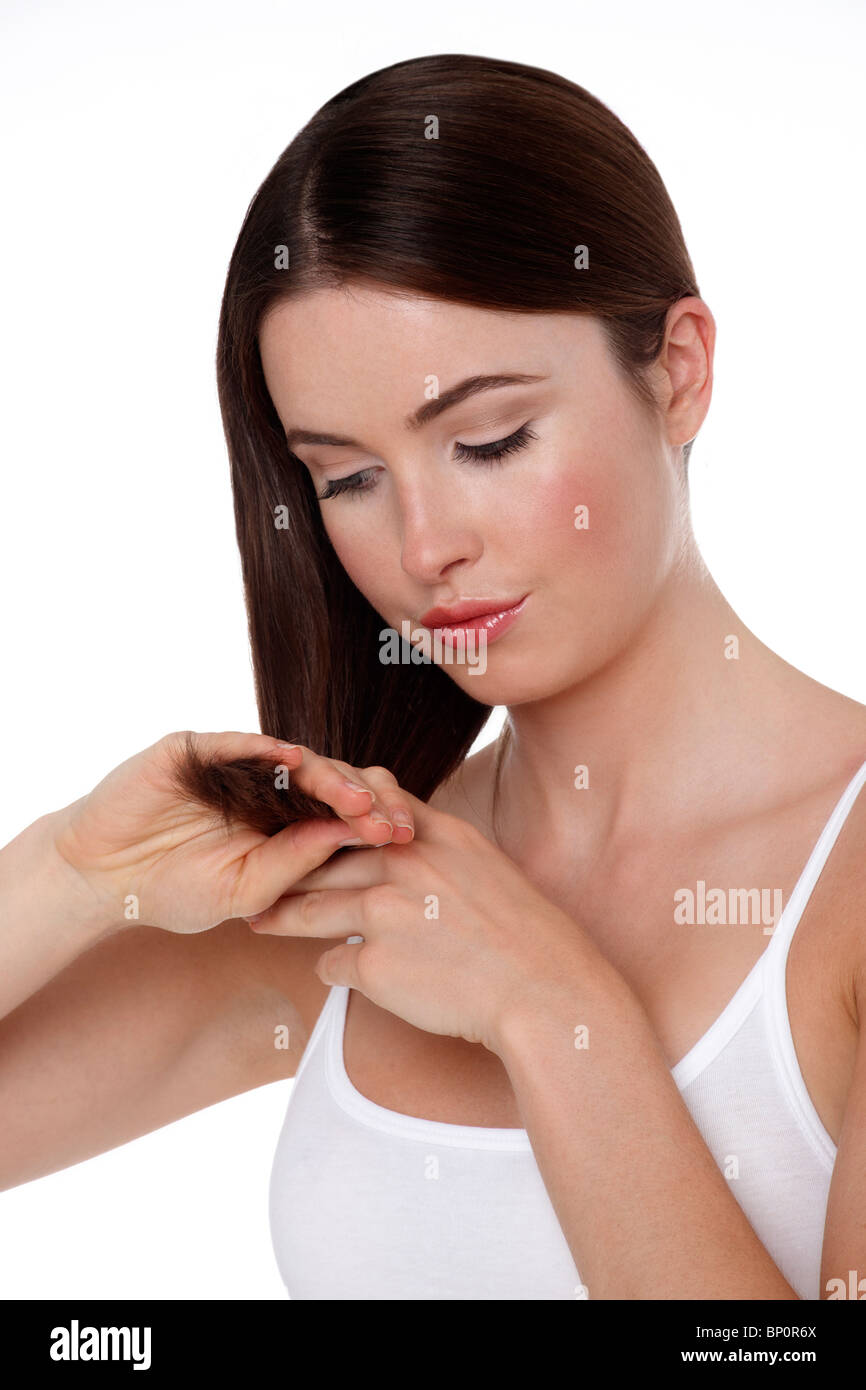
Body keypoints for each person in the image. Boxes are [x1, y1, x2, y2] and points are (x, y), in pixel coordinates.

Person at [2, 53, 864, 1302]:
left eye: (488, 438)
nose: (420, 548)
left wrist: (558, 1020)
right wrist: (71, 875)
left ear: (676, 371)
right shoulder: (359, 882)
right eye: (345, 478)